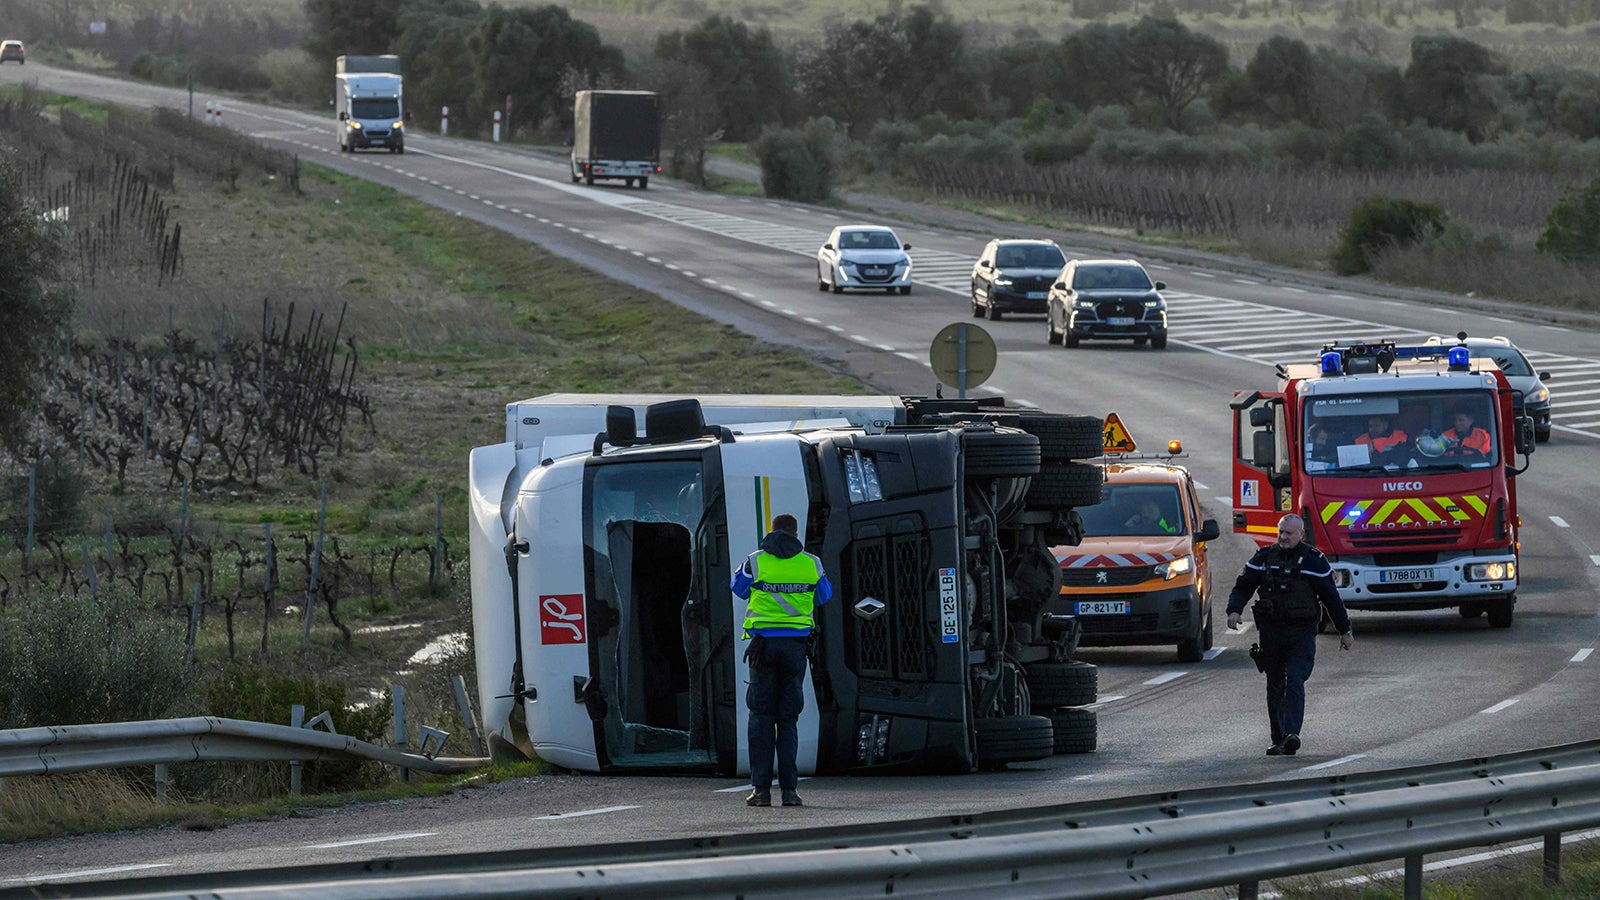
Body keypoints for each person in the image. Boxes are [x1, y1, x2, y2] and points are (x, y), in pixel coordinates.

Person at [1225, 515, 1354, 757]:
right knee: (1275, 686)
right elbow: (1243, 586)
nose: (1283, 537)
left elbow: (1331, 598)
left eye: (1289, 533)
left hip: (1301, 633)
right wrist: (1234, 610)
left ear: (1301, 535)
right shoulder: (1263, 558)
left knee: (1295, 678)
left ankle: (1292, 733)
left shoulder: (1314, 561)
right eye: (1281, 532)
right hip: (1272, 632)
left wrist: (1344, 630)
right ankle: (1279, 738)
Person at [731, 513, 832, 808]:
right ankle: (790, 792)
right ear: (795, 533)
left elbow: (738, 588)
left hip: (763, 649)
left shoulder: (756, 560)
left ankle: (760, 791)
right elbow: (824, 595)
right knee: (787, 719)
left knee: (761, 716)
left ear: (772, 531)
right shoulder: (811, 563)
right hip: (796, 649)